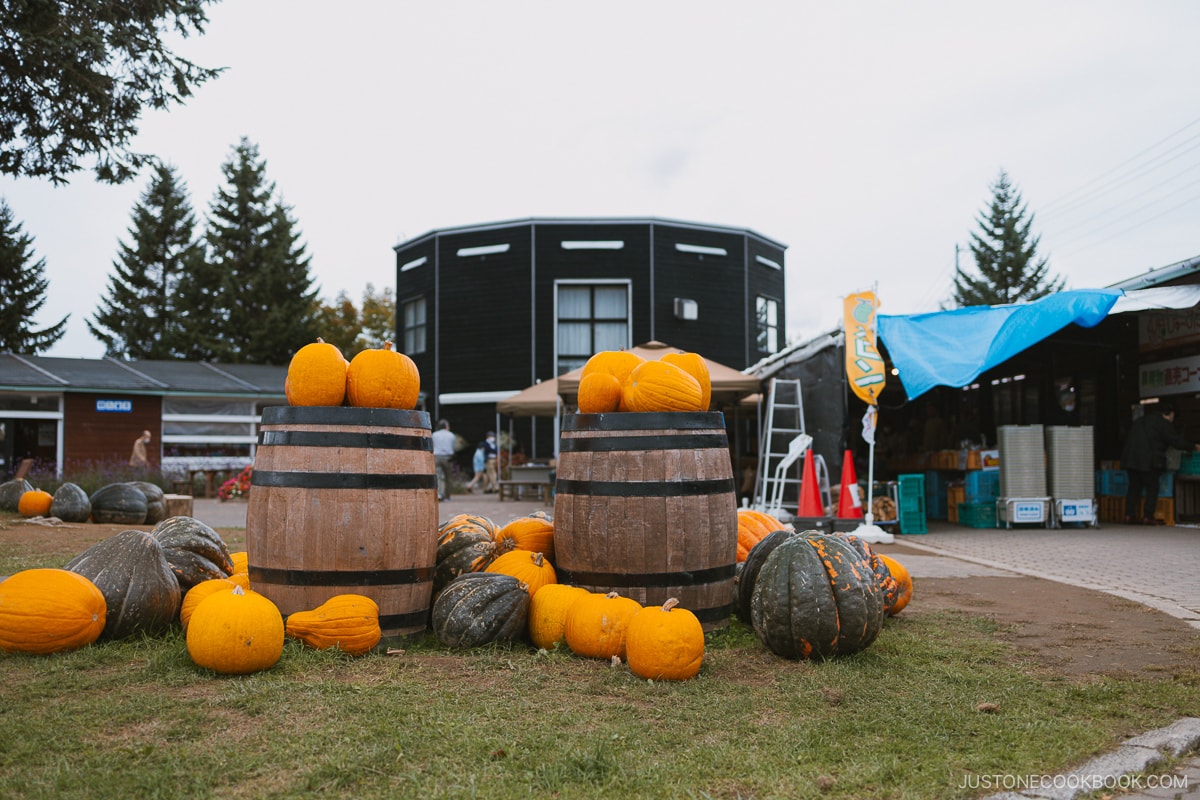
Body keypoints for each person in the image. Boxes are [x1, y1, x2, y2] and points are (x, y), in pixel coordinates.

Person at [1121, 400, 1200, 525]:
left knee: (1133, 487)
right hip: (1147, 461)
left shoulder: (1141, 420)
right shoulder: (1162, 424)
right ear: (1171, 414)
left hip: (1130, 459)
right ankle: (1148, 516)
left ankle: (1128, 515)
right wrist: (1193, 446)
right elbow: (1176, 441)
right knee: (1152, 487)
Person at [431, 419, 456, 500]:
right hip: (448, 457)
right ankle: (447, 496)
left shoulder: (434, 434)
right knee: (448, 477)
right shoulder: (451, 435)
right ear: (446, 427)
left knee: (438, 476)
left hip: (437, 456)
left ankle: (439, 494)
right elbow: (453, 447)